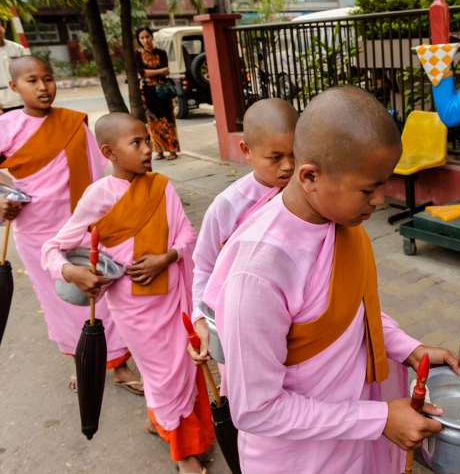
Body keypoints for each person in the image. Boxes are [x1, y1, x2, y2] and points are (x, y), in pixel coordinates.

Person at [203, 86, 459, 473]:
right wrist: (379, 419)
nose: (379, 200)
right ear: (310, 177)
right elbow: (256, 409)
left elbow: (352, 312)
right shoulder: (260, 271)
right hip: (298, 460)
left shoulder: (338, 221)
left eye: (383, 184)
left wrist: (407, 348)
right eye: (369, 189)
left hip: (351, 438)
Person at [42, 113, 213, 474]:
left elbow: (186, 235)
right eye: (136, 143)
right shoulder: (98, 195)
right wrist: (72, 271)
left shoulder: (162, 185)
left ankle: (160, 423)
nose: (148, 148)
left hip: (173, 300)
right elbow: (54, 248)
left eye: (148, 140)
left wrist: (166, 257)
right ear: (109, 152)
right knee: (163, 374)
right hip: (135, 310)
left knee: (181, 368)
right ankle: (184, 455)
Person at [0, 56, 139, 393]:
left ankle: (118, 365)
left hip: (80, 225)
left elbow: (97, 176)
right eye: (32, 80)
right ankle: (80, 359)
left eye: (48, 78)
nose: (43, 86)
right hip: (34, 229)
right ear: (14, 87)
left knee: (100, 293)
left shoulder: (75, 124)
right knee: (59, 300)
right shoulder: (7, 125)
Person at [188, 98, 298, 369]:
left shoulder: (309, 195)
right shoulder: (227, 206)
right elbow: (204, 266)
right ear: (246, 150)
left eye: (294, 154)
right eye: (275, 157)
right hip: (242, 322)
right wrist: (200, 319)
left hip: (299, 323)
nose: (287, 166)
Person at [134, 25, 179, 160]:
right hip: (147, 91)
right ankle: (159, 150)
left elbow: (166, 70)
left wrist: (151, 73)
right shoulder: (137, 54)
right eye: (142, 38)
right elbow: (142, 72)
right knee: (152, 121)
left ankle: (172, 150)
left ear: (152, 37)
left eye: (147, 36)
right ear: (139, 40)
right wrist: (159, 71)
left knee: (167, 119)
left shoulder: (161, 53)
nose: (145, 40)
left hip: (162, 90)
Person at [0, 22, 30, 114]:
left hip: (24, 101)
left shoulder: (18, 49)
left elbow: (29, 72)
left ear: (3, 28)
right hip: (3, 104)